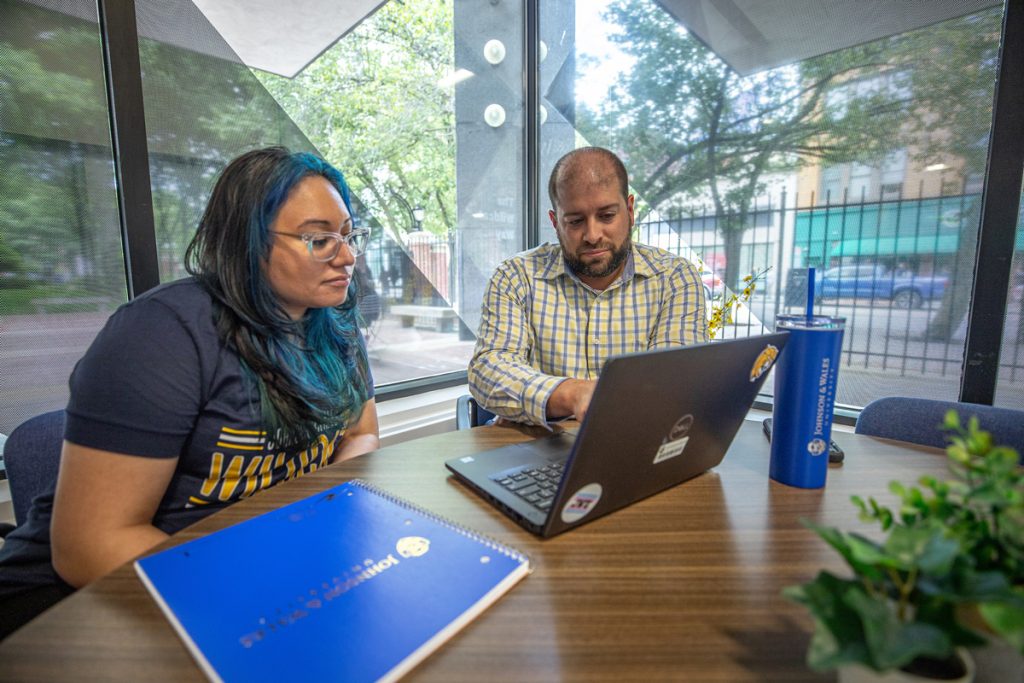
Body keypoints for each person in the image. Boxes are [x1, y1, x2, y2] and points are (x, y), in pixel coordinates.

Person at [0, 146, 379, 639]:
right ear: (247, 240)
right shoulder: (162, 333)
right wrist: (258, 591)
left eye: (349, 236)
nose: (347, 256)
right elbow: (88, 547)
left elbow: (363, 432)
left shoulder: (335, 324)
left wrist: (310, 524)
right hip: (80, 603)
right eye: (319, 239)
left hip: (249, 565)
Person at [468, 146, 708, 427]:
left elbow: (674, 380)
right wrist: (572, 393)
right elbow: (488, 369)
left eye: (607, 216)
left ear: (629, 211)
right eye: (575, 221)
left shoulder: (674, 278)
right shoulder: (515, 277)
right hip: (535, 446)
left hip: (635, 443)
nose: (592, 235)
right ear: (555, 222)